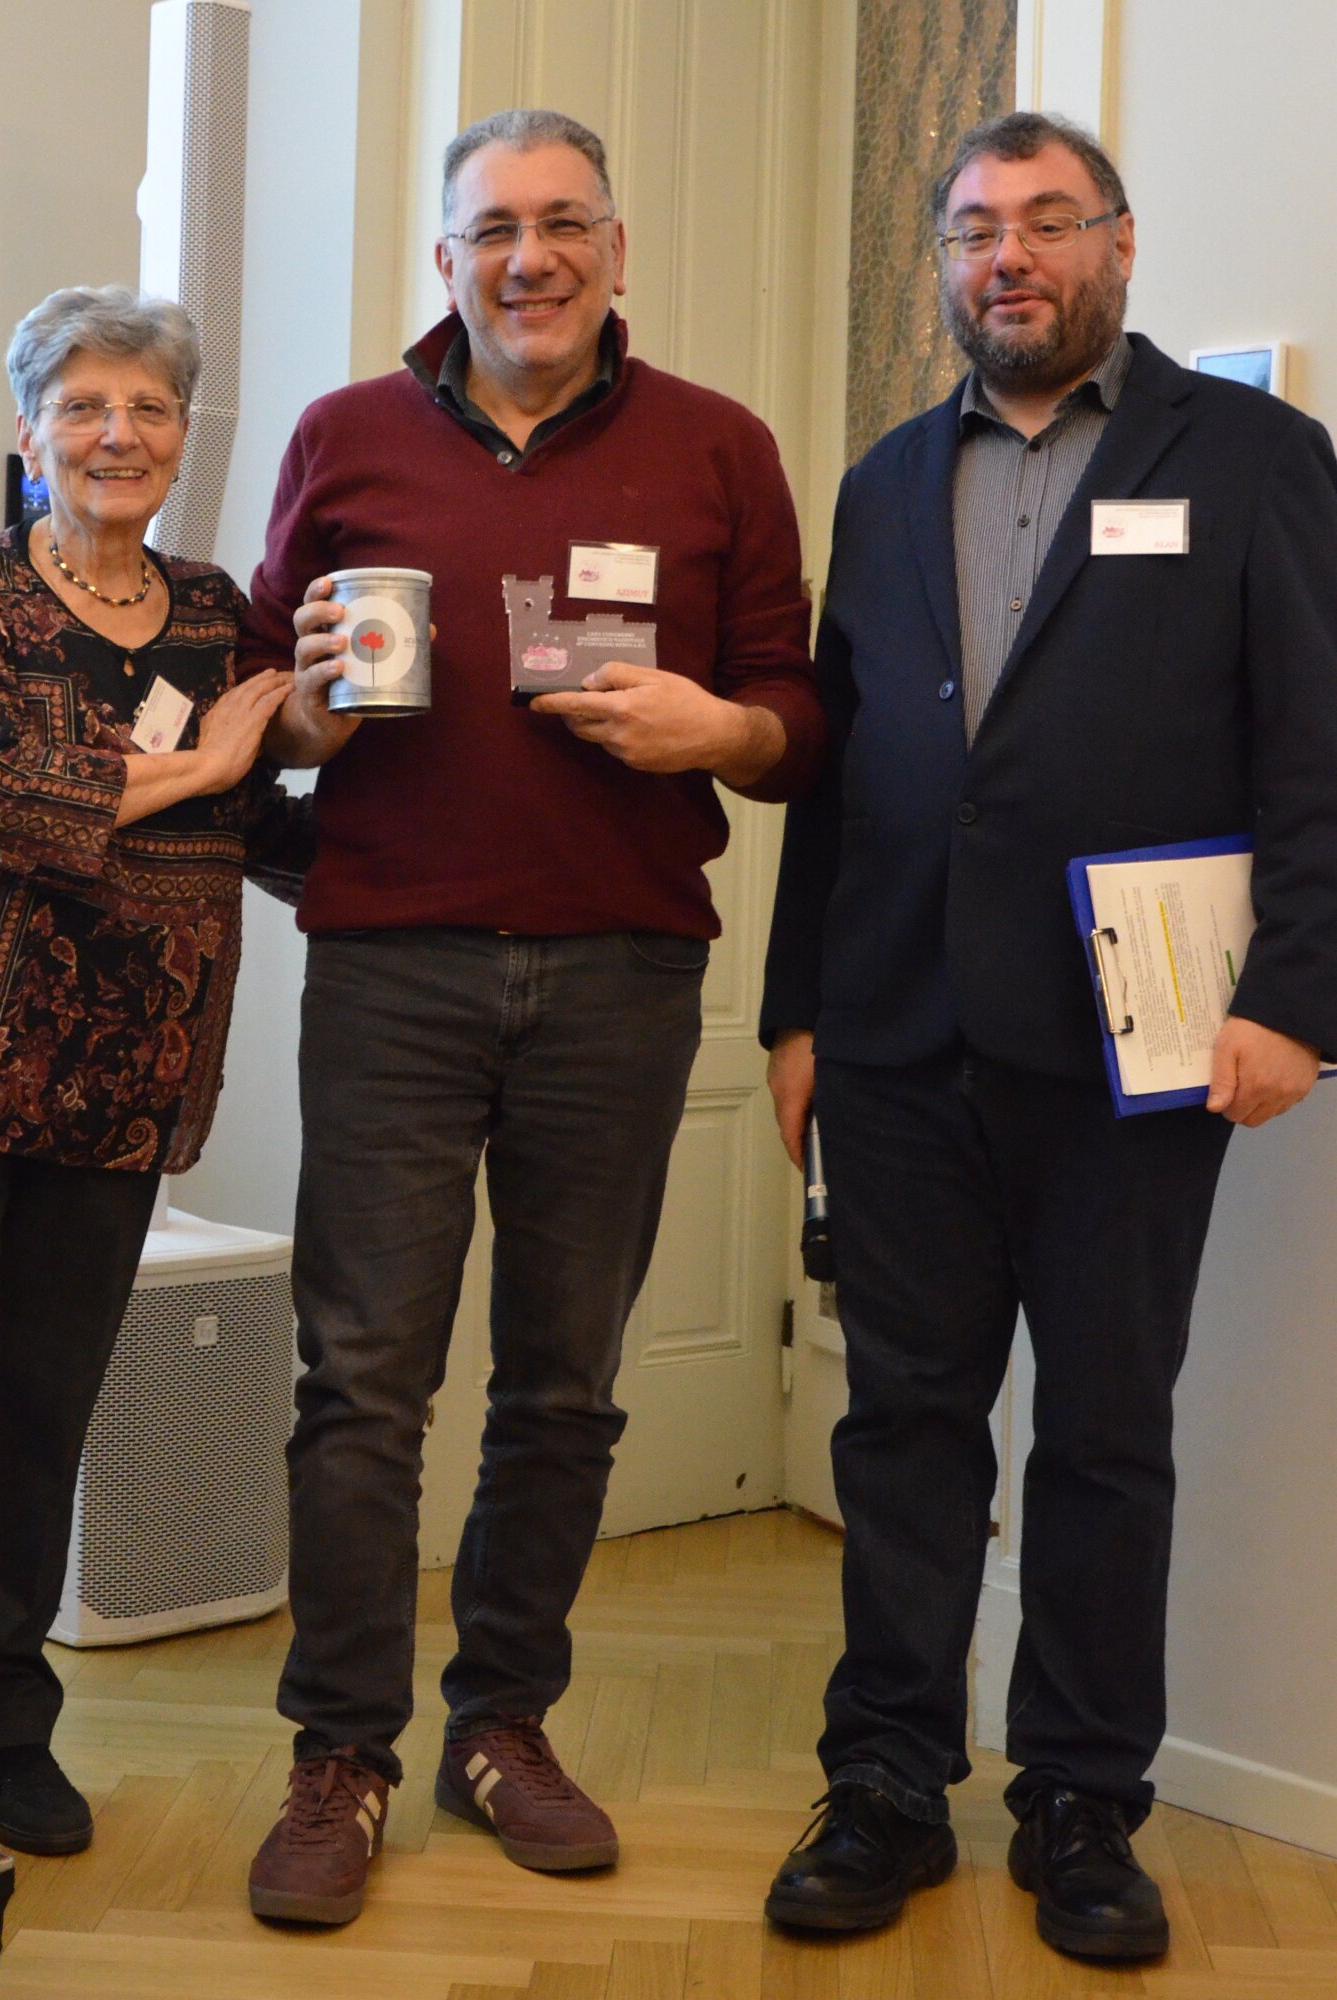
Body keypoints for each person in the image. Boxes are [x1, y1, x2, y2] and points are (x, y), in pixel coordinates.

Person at [760, 110, 1337, 1962]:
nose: (1003, 256)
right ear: (943, 264)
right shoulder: (880, 482)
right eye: (970, 229)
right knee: (902, 1430)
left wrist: (1297, 1001)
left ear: (1117, 242)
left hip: (1134, 1052)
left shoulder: (1248, 457)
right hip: (895, 1042)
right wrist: (794, 1014)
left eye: (1043, 220)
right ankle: (884, 1785)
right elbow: (840, 773)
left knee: (1101, 1436)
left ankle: (1082, 1803)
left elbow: (1314, 752)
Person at [239, 108, 824, 1925]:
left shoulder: (719, 446)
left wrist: (720, 730)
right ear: (446, 260)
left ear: (615, 250)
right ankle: (340, 1753)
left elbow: (797, 712)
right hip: (391, 967)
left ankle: (501, 1724)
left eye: (564, 222)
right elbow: (255, 682)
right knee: (361, 1384)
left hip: (621, 972)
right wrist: (305, 720)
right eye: (493, 227)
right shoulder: (343, 434)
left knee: (563, 1384)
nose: (530, 257)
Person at [0, 285, 311, 1855]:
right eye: (82, 405)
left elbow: (259, 823)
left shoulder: (215, 611)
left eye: (148, 407)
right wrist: (210, 760)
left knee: (41, 1416)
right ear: (30, 435)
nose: (116, 433)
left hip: (123, 1074)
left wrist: (386, 784)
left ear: (183, 436)